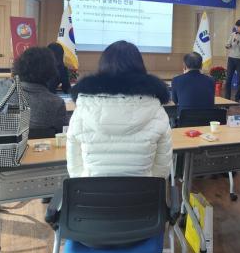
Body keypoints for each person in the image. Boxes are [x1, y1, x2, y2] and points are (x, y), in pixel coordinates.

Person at [66, 40, 172, 178]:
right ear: (140, 67)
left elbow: (74, 166)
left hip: (91, 190)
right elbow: (162, 169)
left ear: (102, 66)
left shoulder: (82, 109)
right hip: (143, 190)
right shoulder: (157, 111)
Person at [0, 47, 67, 135]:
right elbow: (62, 131)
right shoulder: (56, 103)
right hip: (39, 143)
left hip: (0, 142)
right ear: (51, 71)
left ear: (19, 65)